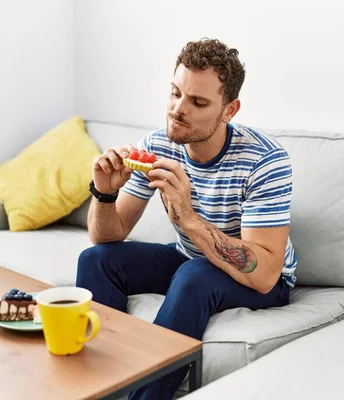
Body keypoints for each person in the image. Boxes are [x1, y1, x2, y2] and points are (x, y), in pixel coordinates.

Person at [76, 38, 297, 400]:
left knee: (193, 275)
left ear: (229, 110)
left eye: (198, 102)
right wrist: (104, 193)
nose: (178, 110)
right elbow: (106, 238)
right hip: (191, 257)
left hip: (266, 280)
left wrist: (189, 217)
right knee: (96, 260)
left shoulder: (265, 160)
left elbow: (265, 273)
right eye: (175, 93)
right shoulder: (159, 144)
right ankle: (102, 386)